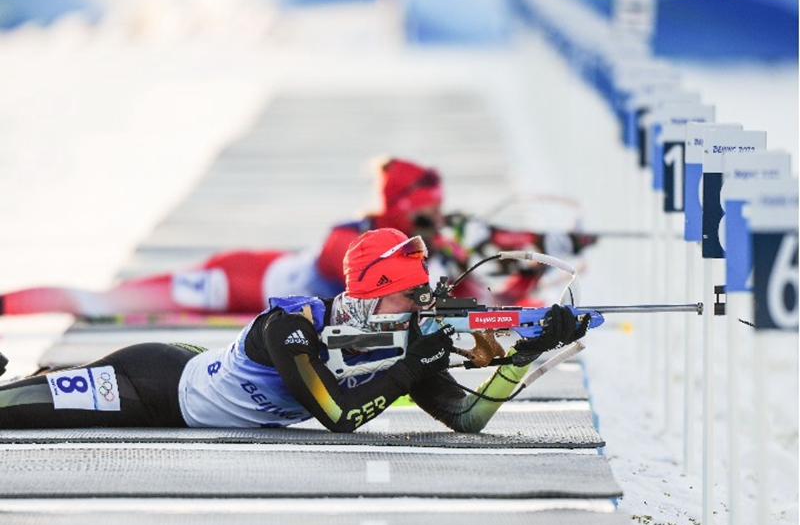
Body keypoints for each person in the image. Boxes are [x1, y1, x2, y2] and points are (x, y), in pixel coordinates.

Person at [0, 229, 588, 432]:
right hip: (153, 384)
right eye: (410, 297)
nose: (418, 310)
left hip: (189, 368)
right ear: (373, 293)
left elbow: (467, 418)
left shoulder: (398, 343)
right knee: (11, 409)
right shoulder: (293, 326)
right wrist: (418, 365)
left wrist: (529, 353)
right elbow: (338, 414)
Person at [0, 157, 597, 319]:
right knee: (102, 303)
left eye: (439, 213)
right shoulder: (355, 234)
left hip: (259, 282)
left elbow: (491, 275)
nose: (436, 223)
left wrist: (543, 252)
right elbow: (362, 279)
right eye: (427, 215)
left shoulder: (428, 243)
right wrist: (458, 255)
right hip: (236, 282)